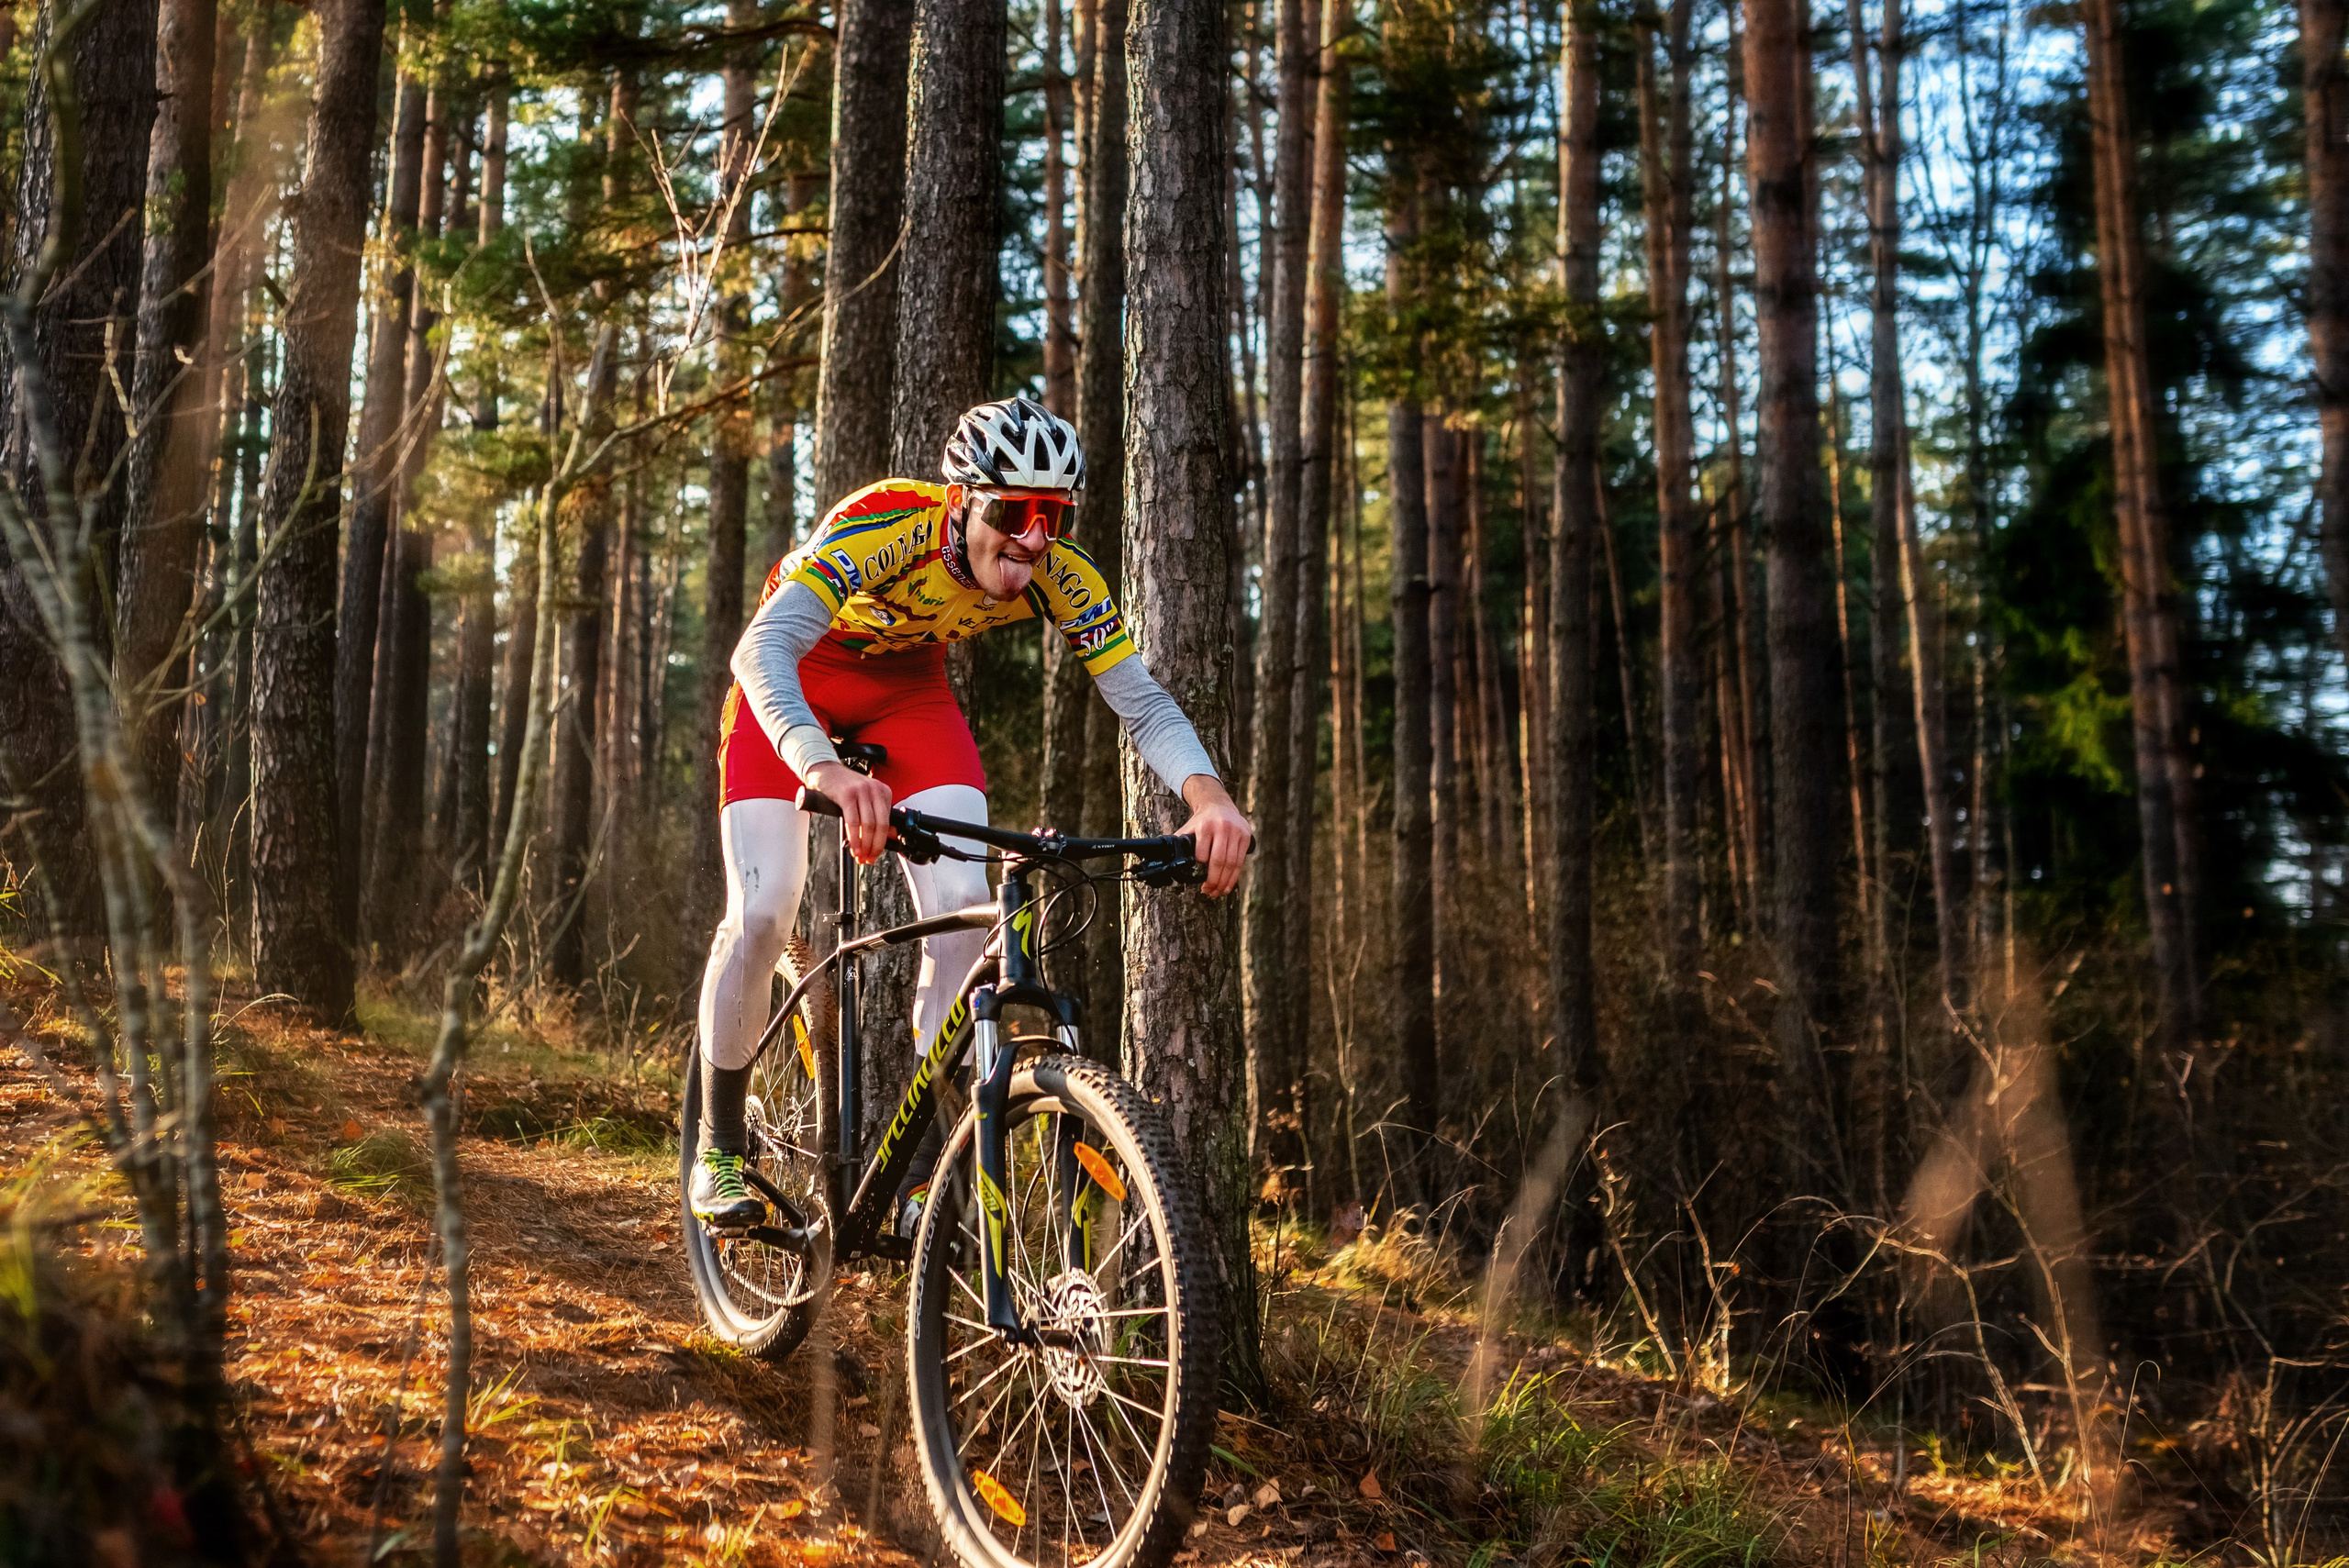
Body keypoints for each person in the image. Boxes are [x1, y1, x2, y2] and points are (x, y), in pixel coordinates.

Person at [690, 395, 1253, 1229]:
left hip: (907, 694)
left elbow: (1138, 698)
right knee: (767, 906)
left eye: (1053, 516)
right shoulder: (886, 524)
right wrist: (823, 770)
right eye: (1014, 512)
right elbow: (760, 649)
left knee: (963, 913)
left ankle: (921, 1176)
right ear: (961, 503)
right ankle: (719, 1145)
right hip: (796, 679)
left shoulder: (1059, 571)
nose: (1032, 538)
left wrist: (1209, 799)